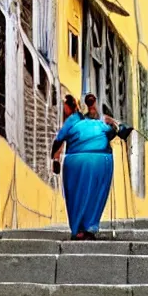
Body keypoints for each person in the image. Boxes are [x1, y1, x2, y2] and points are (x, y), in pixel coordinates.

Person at [51, 94, 116, 240]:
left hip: (76, 160)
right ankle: (89, 226)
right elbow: (112, 133)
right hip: (100, 160)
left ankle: (79, 228)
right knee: (94, 193)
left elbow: (59, 139)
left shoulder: (74, 121)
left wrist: (55, 159)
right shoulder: (100, 122)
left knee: (77, 193)